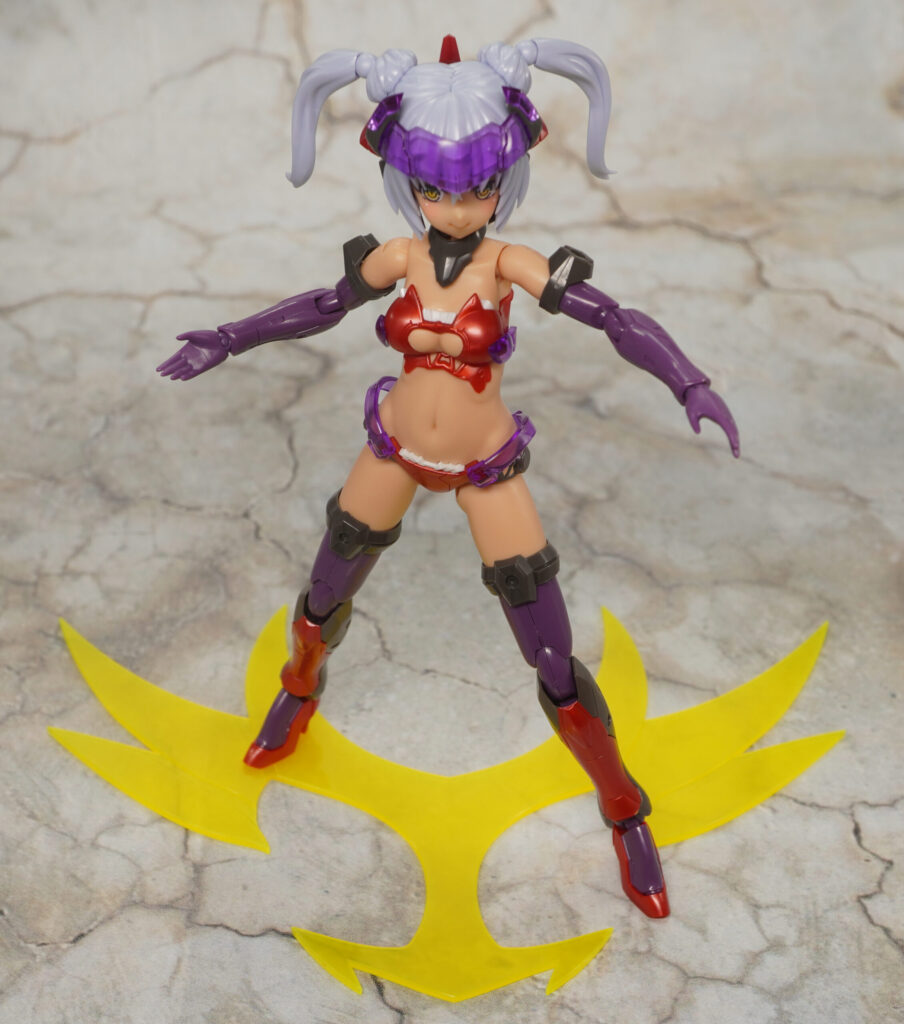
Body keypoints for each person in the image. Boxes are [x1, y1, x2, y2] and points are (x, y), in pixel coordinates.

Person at [157, 36, 740, 919]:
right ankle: (299, 691)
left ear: (506, 178)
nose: (458, 207)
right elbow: (320, 306)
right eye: (435, 188)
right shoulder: (397, 258)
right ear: (406, 180)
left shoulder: (509, 265)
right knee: (321, 599)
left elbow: (612, 317)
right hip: (393, 448)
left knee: (552, 659)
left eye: (478, 188)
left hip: (483, 465)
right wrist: (229, 338)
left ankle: (625, 809)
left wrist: (687, 380)